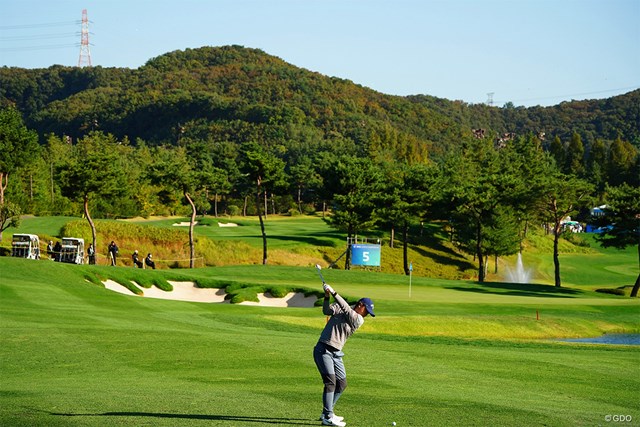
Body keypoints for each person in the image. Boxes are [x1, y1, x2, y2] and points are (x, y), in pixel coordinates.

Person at [313, 282, 375, 427]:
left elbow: (347, 309)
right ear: (360, 305)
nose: (366, 315)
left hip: (336, 353)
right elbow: (326, 311)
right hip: (323, 349)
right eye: (367, 311)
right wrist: (327, 296)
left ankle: (327, 411)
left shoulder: (358, 319)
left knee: (342, 384)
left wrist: (334, 292)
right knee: (330, 382)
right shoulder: (342, 309)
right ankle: (328, 416)